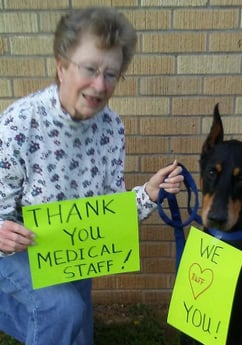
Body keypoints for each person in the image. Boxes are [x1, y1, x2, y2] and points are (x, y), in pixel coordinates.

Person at [0, 7, 184, 345]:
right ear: (62, 66)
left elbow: (109, 212)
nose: (100, 85)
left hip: (74, 254)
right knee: (62, 309)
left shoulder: (112, 128)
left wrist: (150, 193)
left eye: (111, 74)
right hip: (15, 253)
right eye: (90, 69)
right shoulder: (18, 124)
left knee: (78, 331)